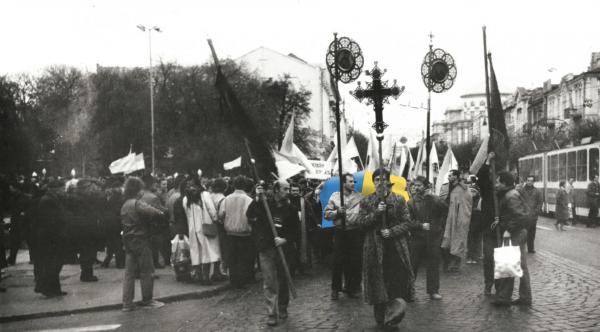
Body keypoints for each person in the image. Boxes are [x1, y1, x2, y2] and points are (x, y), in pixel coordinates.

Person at [356, 168, 415, 329]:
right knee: (377, 283)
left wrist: (392, 231)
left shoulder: (399, 200)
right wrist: (376, 212)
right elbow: (360, 222)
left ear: (388, 182)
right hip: (374, 248)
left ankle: (394, 313)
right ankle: (380, 318)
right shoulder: (366, 201)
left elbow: (407, 222)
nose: (380, 183)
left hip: (395, 248)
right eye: (377, 180)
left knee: (395, 282)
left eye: (383, 180)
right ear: (373, 183)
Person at [247, 180, 300, 327]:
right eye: (285, 189)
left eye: (289, 188)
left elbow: (296, 231)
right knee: (269, 281)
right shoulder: (264, 204)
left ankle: (282, 307)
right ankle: (271, 313)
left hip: (284, 250)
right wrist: (257, 198)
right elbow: (250, 215)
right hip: (267, 248)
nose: (288, 191)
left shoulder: (291, 208)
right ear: (276, 190)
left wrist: (285, 239)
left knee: (283, 280)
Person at [121, 177, 165, 311]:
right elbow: (155, 212)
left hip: (128, 241)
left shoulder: (125, 204)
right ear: (137, 190)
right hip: (140, 239)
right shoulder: (137, 203)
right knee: (147, 270)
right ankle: (147, 300)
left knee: (129, 273)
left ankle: (127, 303)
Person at [492, 171, 532, 306]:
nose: (496, 184)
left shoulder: (510, 196)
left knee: (513, 264)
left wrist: (509, 229)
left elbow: (520, 217)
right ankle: (521, 297)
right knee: (517, 265)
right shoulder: (511, 194)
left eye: (498, 182)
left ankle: (506, 298)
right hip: (516, 232)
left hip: (515, 233)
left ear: (504, 183)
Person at [324, 173, 364, 300]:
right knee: (337, 261)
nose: (353, 184)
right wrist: (337, 212)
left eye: (353, 181)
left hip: (355, 231)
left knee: (355, 260)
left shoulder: (359, 197)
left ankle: (352, 287)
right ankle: (335, 288)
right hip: (340, 231)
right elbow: (326, 214)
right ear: (343, 183)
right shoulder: (335, 197)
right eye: (350, 181)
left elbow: (364, 213)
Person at [407, 176, 447, 300]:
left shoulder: (434, 199)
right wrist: (420, 225)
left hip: (433, 237)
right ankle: (409, 291)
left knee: (433, 264)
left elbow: (445, 210)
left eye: (419, 185)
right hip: (417, 237)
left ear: (425, 186)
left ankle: (433, 290)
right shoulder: (411, 203)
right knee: (412, 264)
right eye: (415, 185)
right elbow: (407, 221)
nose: (416, 188)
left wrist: (434, 198)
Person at [182, 178, 222, 284]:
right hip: (205, 227)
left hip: (193, 229)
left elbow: (187, 215)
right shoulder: (205, 195)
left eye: (192, 186)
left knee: (197, 252)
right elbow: (212, 210)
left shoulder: (186, 199)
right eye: (189, 186)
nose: (191, 188)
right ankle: (205, 277)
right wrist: (216, 220)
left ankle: (199, 276)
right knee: (206, 251)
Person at [33, 178, 68, 297]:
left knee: (54, 264)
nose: (64, 191)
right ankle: (48, 288)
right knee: (52, 264)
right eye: (62, 188)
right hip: (51, 237)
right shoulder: (48, 200)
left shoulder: (52, 198)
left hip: (52, 236)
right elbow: (50, 221)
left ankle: (55, 289)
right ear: (56, 189)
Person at [218, 175, 255, 288]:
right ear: (245, 186)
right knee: (244, 258)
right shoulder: (249, 200)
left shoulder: (226, 199)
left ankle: (234, 281)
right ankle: (243, 280)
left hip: (230, 233)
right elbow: (252, 216)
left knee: (232, 258)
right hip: (245, 233)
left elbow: (221, 214)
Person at [441, 170, 472, 272]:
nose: (449, 177)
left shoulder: (463, 189)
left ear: (456, 177)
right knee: (446, 241)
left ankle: (455, 265)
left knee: (458, 240)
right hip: (447, 217)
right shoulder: (446, 187)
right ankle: (447, 263)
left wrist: (462, 218)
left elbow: (466, 204)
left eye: (451, 175)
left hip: (458, 218)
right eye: (449, 175)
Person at [517, 176, 543, 253]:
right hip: (523, 216)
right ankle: (521, 248)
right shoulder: (521, 191)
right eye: (528, 180)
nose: (529, 182)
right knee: (523, 233)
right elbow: (518, 201)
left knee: (532, 233)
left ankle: (530, 248)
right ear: (526, 181)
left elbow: (540, 203)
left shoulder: (537, 192)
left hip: (533, 217)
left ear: (533, 182)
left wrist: (535, 212)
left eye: (531, 181)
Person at [466, 175, 482, 264]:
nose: (472, 193)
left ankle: (476, 256)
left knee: (477, 240)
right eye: (470, 191)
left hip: (478, 223)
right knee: (470, 240)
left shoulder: (479, 200)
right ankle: (469, 256)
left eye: (473, 191)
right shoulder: (468, 200)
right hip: (470, 223)